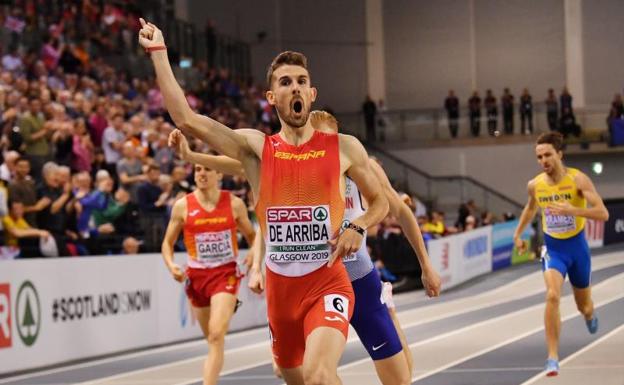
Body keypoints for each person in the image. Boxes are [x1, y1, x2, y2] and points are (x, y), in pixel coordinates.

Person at [139, 19, 388, 385]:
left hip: (328, 282)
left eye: (301, 81)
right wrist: (159, 53)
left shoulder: (345, 148)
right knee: (297, 378)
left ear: (312, 93)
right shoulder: (257, 149)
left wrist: (357, 224)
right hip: (281, 292)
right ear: (272, 98)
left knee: (320, 374)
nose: (295, 88)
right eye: (285, 83)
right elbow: (186, 119)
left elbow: (380, 202)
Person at [169, 111, 441, 385]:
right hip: (314, 284)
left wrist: (426, 265)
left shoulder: (362, 165)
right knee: (307, 373)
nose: (317, 147)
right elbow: (243, 171)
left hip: (358, 280)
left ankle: (389, 310)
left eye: (325, 140)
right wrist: (192, 157)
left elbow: (401, 213)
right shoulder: (292, 167)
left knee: (399, 379)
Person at [512, 132, 609, 376]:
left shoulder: (578, 180)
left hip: (577, 250)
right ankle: (552, 357)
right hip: (553, 250)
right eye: (539, 156)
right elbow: (530, 208)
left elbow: (602, 213)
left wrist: (573, 210)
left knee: (583, 306)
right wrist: (518, 234)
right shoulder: (535, 185)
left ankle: (589, 314)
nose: (543, 160)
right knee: (552, 296)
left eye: (548, 155)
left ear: (559, 154)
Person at [161, 163, 256, 385]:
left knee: (215, 335)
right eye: (197, 169)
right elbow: (167, 243)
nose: (201, 173)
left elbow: (252, 236)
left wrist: (253, 252)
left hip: (225, 274)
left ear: (219, 173)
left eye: (207, 169)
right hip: (196, 277)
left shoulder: (234, 204)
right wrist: (171, 265)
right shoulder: (182, 206)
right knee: (213, 340)